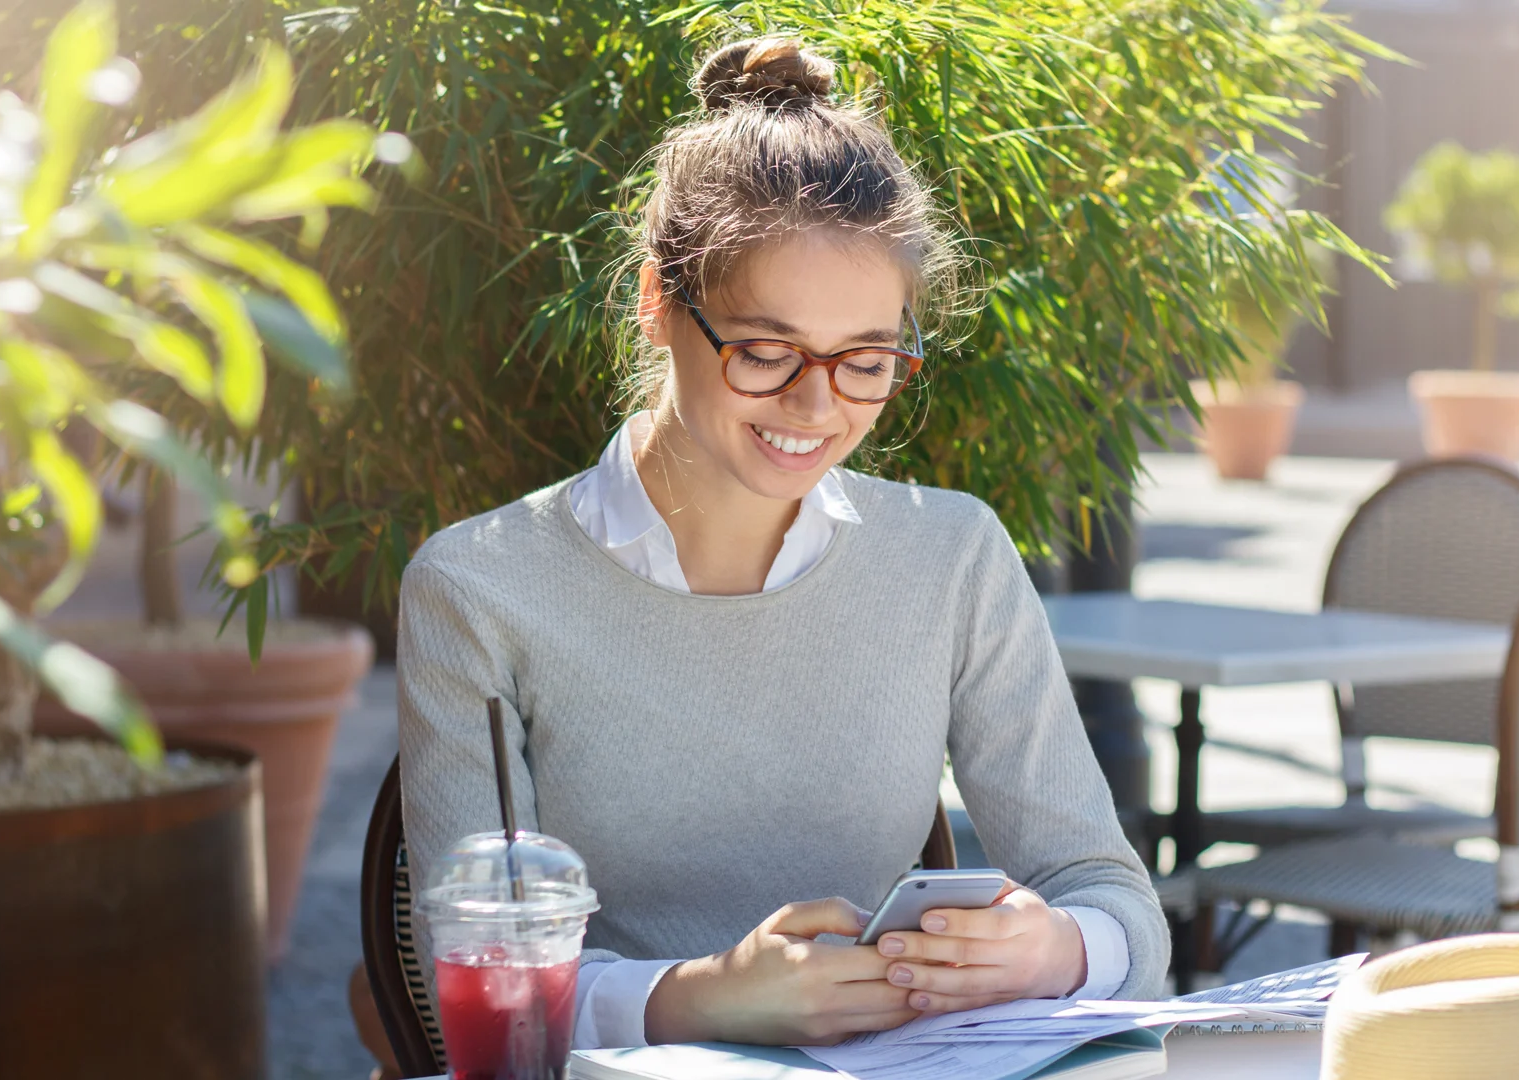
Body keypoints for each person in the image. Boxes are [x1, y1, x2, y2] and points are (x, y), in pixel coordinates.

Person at [398, 35, 1169, 1052]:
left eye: (867, 360)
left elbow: (1119, 908)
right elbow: (474, 990)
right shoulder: (480, 587)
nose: (816, 403)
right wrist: (699, 997)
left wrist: (1053, 948)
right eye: (765, 351)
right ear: (657, 305)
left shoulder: (952, 560)